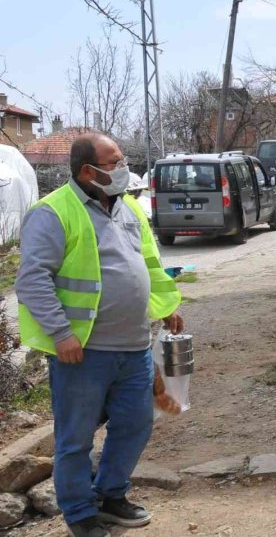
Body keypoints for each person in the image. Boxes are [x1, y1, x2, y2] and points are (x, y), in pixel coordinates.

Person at [15, 132, 184, 537]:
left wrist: (168, 305)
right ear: (87, 170)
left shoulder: (128, 209)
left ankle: (111, 495)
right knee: (75, 439)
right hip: (83, 351)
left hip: (134, 347)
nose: (124, 169)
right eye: (115, 162)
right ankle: (79, 513)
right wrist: (61, 334)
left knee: (135, 424)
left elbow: (149, 263)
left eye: (123, 160)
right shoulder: (53, 212)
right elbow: (32, 279)